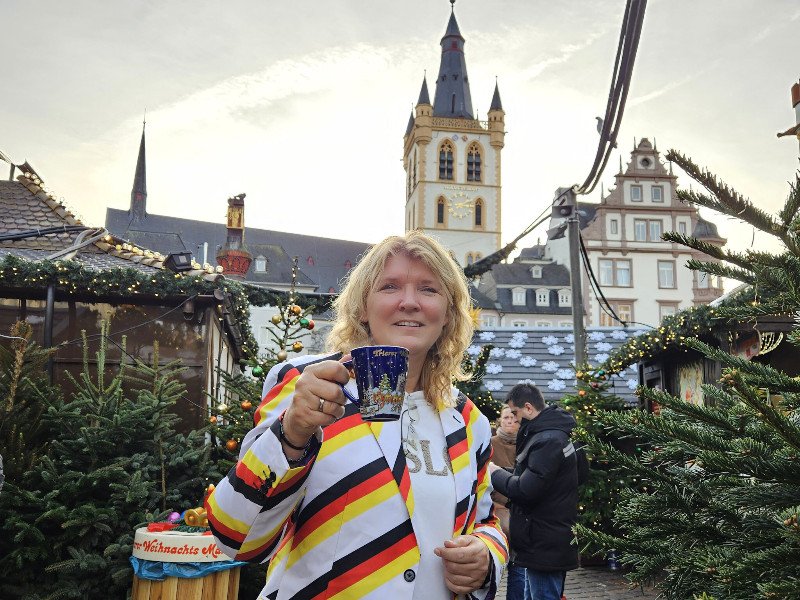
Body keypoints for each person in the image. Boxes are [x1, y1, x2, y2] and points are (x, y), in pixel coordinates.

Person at [206, 231, 508, 600]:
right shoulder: (308, 385)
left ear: (447, 313)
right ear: (363, 307)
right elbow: (234, 537)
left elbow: (485, 521)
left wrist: (486, 555)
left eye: (429, 290)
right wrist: (292, 433)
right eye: (390, 287)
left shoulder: (467, 419)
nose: (409, 302)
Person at [489, 383, 578, 600]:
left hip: (543, 540)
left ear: (528, 408)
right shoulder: (554, 435)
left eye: (516, 412)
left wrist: (494, 472)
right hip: (543, 536)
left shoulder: (547, 440)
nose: (515, 419)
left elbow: (525, 489)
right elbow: (536, 476)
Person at [490, 406, 528, 600]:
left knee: (519, 565)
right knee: (493, 566)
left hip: (522, 510)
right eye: (506, 417)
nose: (510, 421)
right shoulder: (490, 444)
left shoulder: (527, 443)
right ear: (500, 421)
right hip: (497, 511)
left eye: (514, 418)